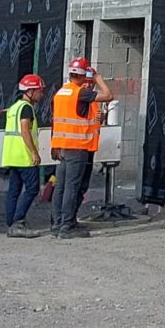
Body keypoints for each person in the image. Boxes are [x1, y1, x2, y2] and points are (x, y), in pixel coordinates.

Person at [47, 56, 112, 240]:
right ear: (83, 76)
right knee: (71, 187)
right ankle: (67, 226)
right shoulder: (79, 93)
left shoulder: (61, 93)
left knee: (61, 187)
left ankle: (58, 223)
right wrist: (99, 79)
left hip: (63, 147)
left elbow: (59, 121)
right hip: (77, 147)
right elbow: (109, 95)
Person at [0, 73, 51, 237]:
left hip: (12, 156)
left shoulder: (15, 107)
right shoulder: (26, 108)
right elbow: (24, 130)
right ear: (30, 91)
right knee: (32, 189)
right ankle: (18, 221)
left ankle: (11, 223)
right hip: (24, 157)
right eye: (39, 91)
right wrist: (34, 152)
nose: (41, 95)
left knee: (14, 190)